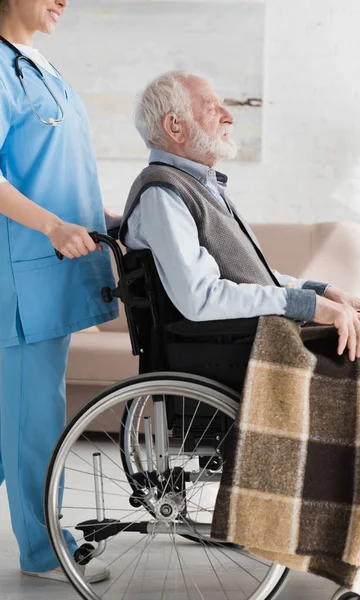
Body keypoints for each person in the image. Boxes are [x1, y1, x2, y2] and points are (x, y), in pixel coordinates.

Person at [120, 71, 360, 360]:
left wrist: (321, 292)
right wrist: (309, 305)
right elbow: (201, 296)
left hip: (253, 338)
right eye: (212, 107)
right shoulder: (163, 194)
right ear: (175, 126)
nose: (229, 117)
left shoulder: (201, 187)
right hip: (238, 349)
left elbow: (250, 279)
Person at [0, 0, 121, 584]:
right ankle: (46, 550)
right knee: (35, 419)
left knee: (15, 418)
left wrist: (102, 216)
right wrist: (51, 226)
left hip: (55, 269)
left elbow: (60, 169)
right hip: (24, 274)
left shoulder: (40, 67)